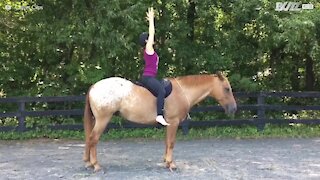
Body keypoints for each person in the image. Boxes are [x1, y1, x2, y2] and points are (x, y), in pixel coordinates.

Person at [139, 7, 170, 126]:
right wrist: (151, 20)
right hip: (148, 77)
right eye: (150, 38)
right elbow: (152, 32)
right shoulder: (148, 48)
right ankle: (159, 115)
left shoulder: (150, 50)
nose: (153, 39)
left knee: (163, 86)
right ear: (147, 40)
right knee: (161, 90)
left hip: (151, 77)